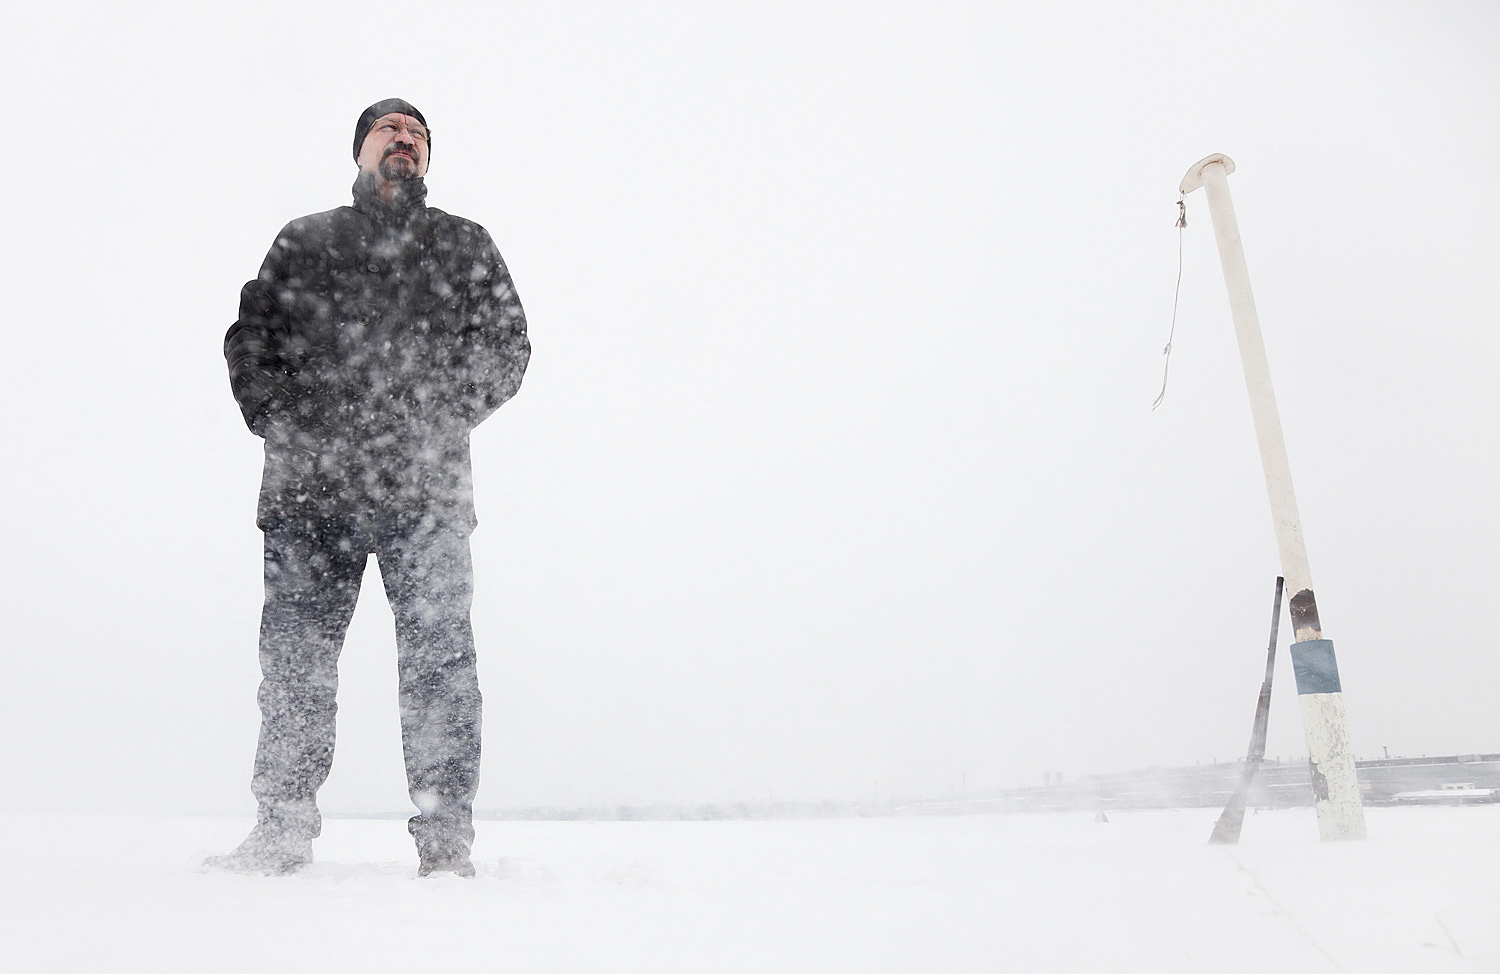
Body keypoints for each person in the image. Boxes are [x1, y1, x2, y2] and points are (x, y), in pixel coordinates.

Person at [208, 98, 530, 877]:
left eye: (417, 134)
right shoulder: (306, 239)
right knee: (296, 663)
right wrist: (280, 419)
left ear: (428, 158)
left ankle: (446, 843)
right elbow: (254, 335)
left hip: (425, 493)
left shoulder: (462, 244)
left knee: (441, 665)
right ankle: (281, 832)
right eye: (388, 130)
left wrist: (434, 414)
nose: (404, 140)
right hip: (309, 492)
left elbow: (508, 345)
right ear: (360, 150)